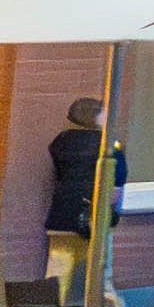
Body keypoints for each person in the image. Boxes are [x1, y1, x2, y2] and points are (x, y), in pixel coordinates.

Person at [41, 98, 105, 294]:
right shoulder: (105, 145)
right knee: (91, 278)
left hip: (61, 213)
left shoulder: (61, 142)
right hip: (90, 216)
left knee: (57, 275)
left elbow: (60, 173)